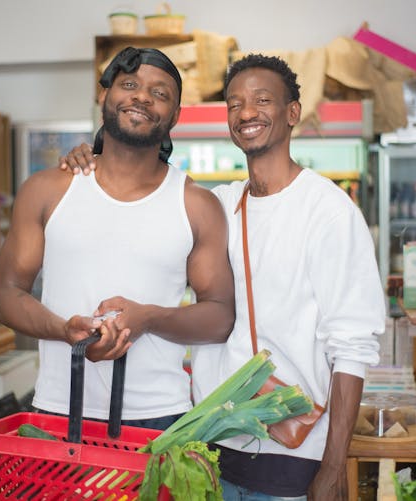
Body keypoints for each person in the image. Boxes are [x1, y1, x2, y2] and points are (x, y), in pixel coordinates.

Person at [61, 54, 385, 500]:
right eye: (234, 104)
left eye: (262, 100)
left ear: (293, 113)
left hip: (290, 454)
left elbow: (352, 347)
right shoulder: (220, 204)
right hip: (209, 446)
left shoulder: (328, 212)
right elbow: (139, 189)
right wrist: (90, 158)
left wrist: (332, 470)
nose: (246, 113)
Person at [0, 46, 235, 431]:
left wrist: (149, 318)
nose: (142, 96)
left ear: (175, 115)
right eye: (129, 84)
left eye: (160, 93)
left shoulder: (197, 205)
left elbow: (221, 315)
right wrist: (64, 329)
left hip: (158, 419)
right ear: (104, 94)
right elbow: (6, 296)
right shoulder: (46, 189)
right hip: (58, 409)